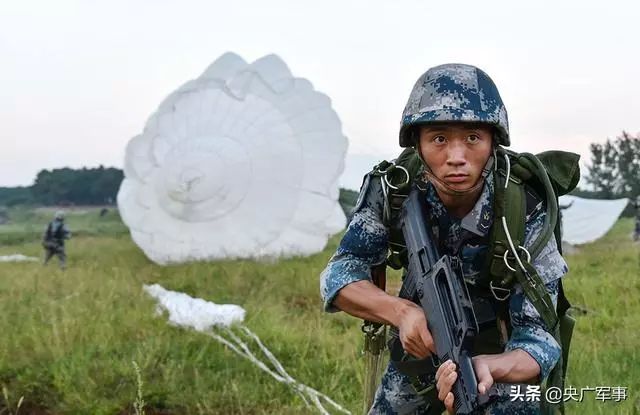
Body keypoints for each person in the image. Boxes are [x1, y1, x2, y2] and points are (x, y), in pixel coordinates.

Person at [320, 64, 571, 414]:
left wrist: (487, 369)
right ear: (418, 145)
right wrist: (401, 312)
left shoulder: (523, 204)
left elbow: (540, 340)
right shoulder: (393, 187)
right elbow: (339, 275)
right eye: (439, 139)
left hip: (499, 356)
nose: (456, 158)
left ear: (493, 143)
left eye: (472, 138)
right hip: (419, 345)